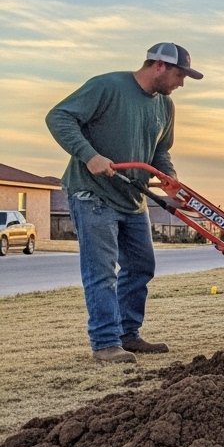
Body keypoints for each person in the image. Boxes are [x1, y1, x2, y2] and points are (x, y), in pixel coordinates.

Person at [46, 43, 203, 363]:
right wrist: (89, 156)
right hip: (93, 194)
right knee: (102, 272)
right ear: (158, 66)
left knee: (141, 266)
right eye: (179, 74)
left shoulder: (165, 106)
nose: (181, 83)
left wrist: (170, 182)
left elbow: (160, 152)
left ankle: (127, 335)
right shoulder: (108, 86)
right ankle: (105, 343)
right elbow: (59, 117)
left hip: (133, 199)